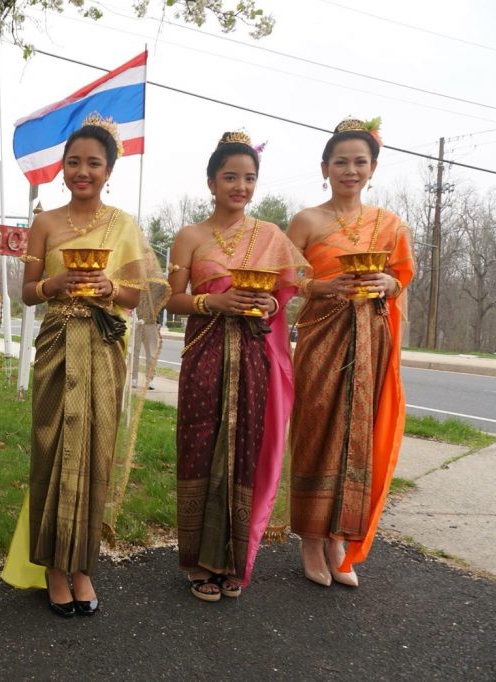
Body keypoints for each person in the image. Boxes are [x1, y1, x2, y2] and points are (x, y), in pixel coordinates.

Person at [15, 115, 168, 617]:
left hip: (104, 344)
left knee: (97, 447)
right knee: (52, 444)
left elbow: (147, 295)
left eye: (93, 163)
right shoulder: (45, 222)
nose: (83, 171)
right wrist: (52, 286)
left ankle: (83, 567)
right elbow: (26, 293)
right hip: (58, 339)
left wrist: (109, 288)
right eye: (74, 161)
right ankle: (53, 568)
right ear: (63, 167)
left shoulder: (124, 224)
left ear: (109, 170)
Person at [165, 131, 307, 602]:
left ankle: (234, 561)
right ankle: (199, 561)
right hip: (204, 352)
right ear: (211, 182)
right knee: (201, 445)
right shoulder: (189, 236)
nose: (240, 186)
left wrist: (266, 301)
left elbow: (286, 297)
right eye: (230, 177)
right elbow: (172, 300)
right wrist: (215, 300)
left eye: (249, 177)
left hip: (253, 355)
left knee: (245, 448)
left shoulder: (270, 236)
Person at [287, 117, 414, 587]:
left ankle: (340, 533)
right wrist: (321, 285)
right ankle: (310, 537)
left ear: (373, 168)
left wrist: (390, 282)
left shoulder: (389, 223)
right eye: (341, 161)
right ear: (325, 167)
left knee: (357, 432)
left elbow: (403, 273)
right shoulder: (307, 221)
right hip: (322, 333)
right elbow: (285, 277)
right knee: (317, 427)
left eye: (360, 161)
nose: (350, 169)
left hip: (370, 339)